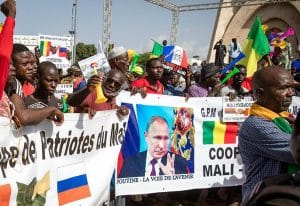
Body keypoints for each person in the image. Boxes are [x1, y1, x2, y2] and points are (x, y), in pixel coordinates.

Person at [238, 65, 298, 203]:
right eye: (283, 88)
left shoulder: (285, 119)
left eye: (291, 87)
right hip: (265, 198)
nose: (291, 93)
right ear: (260, 94)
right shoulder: (255, 125)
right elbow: (295, 151)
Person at [119, 116, 189, 178]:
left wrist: (171, 179)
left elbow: (187, 192)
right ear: (146, 136)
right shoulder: (130, 164)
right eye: (157, 138)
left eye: (166, 138)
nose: (161, 146)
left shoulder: (180, 163)